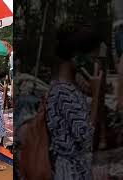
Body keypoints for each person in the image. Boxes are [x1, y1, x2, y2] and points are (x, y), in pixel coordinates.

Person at [46, 23, 102, 180]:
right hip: (71, 172)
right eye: (93, 58)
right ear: (77, 57)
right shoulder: (65, 93)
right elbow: (87, 139)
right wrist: (96, 95)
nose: (95, 64)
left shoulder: (60, 87)